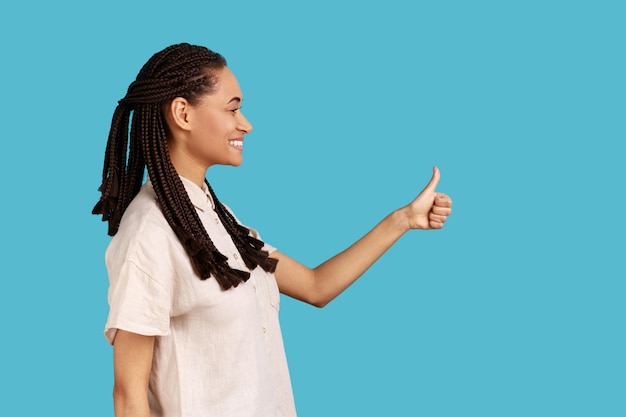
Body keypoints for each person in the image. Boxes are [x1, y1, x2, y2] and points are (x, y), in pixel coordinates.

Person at [93, 43, 452, 417]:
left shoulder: (219, 220)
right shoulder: (149, 232)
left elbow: (316, 286)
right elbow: (128, 398)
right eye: (232, 108)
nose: (245, 123)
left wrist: (403, 220)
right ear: (183, 113)